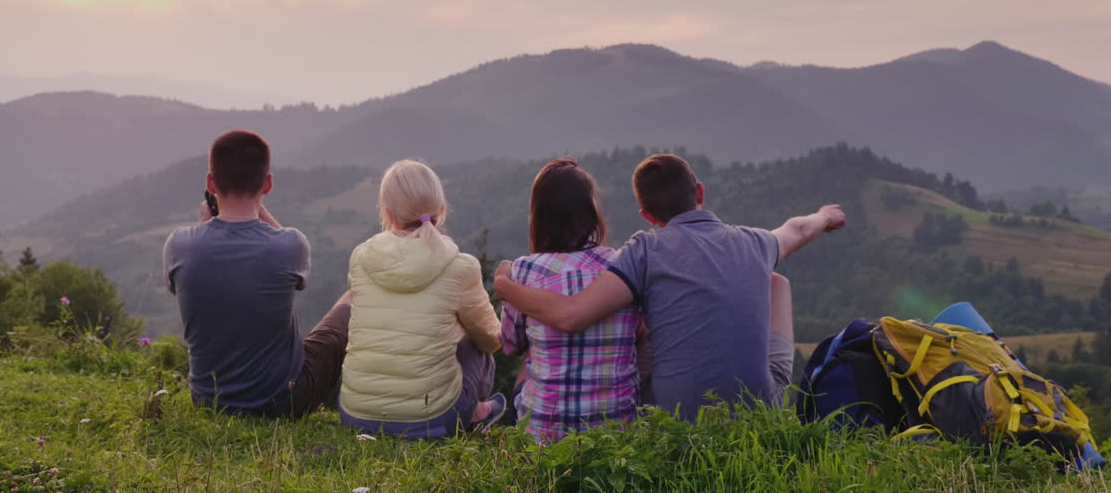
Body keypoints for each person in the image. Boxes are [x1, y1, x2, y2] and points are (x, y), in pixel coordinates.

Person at [495, 153, 845, 420]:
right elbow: (797, 230)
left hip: (671, 414)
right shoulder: (754, 242)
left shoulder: (644, 251)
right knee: (776, 282)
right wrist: (825, 216)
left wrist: (506, 286)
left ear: (647, 215)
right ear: (700, 192)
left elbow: (572, 315)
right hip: (756, 409)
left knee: (639, 319)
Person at [163, 129, 351, 418]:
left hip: (208, 401)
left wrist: (204, 224)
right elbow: (294, 268)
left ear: (211, 183)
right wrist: (260, 210)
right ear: (268, 184)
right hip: (282, 401)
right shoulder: (290, 244)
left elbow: (187, 286)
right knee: (351, 301)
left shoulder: (179, 244)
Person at [339, 160, 506, 437]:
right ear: (440, 209)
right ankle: (475, 411)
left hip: (356, 415)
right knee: (476, 342)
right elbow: (492, 340)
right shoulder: (460, 267)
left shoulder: (361, 258)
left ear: (388, 213)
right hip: (434, 418)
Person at [500, 159, 645, 441]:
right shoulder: (623, 265)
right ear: (591, 212)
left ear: (538, 215)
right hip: (618, 434)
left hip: (544, 436)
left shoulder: (523, 271)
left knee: (530, 354)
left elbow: (510, 345)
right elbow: (639, 335)